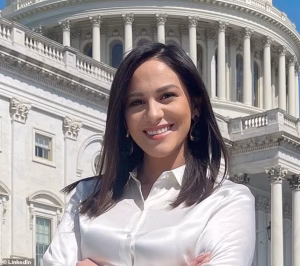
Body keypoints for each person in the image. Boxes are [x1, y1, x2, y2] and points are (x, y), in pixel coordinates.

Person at [43, 43, 255, 266]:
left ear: (195, 106)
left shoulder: (227, 200)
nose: (153, 114)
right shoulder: (87, 196)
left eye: (166, 96)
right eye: (137, 102)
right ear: (123, 118)